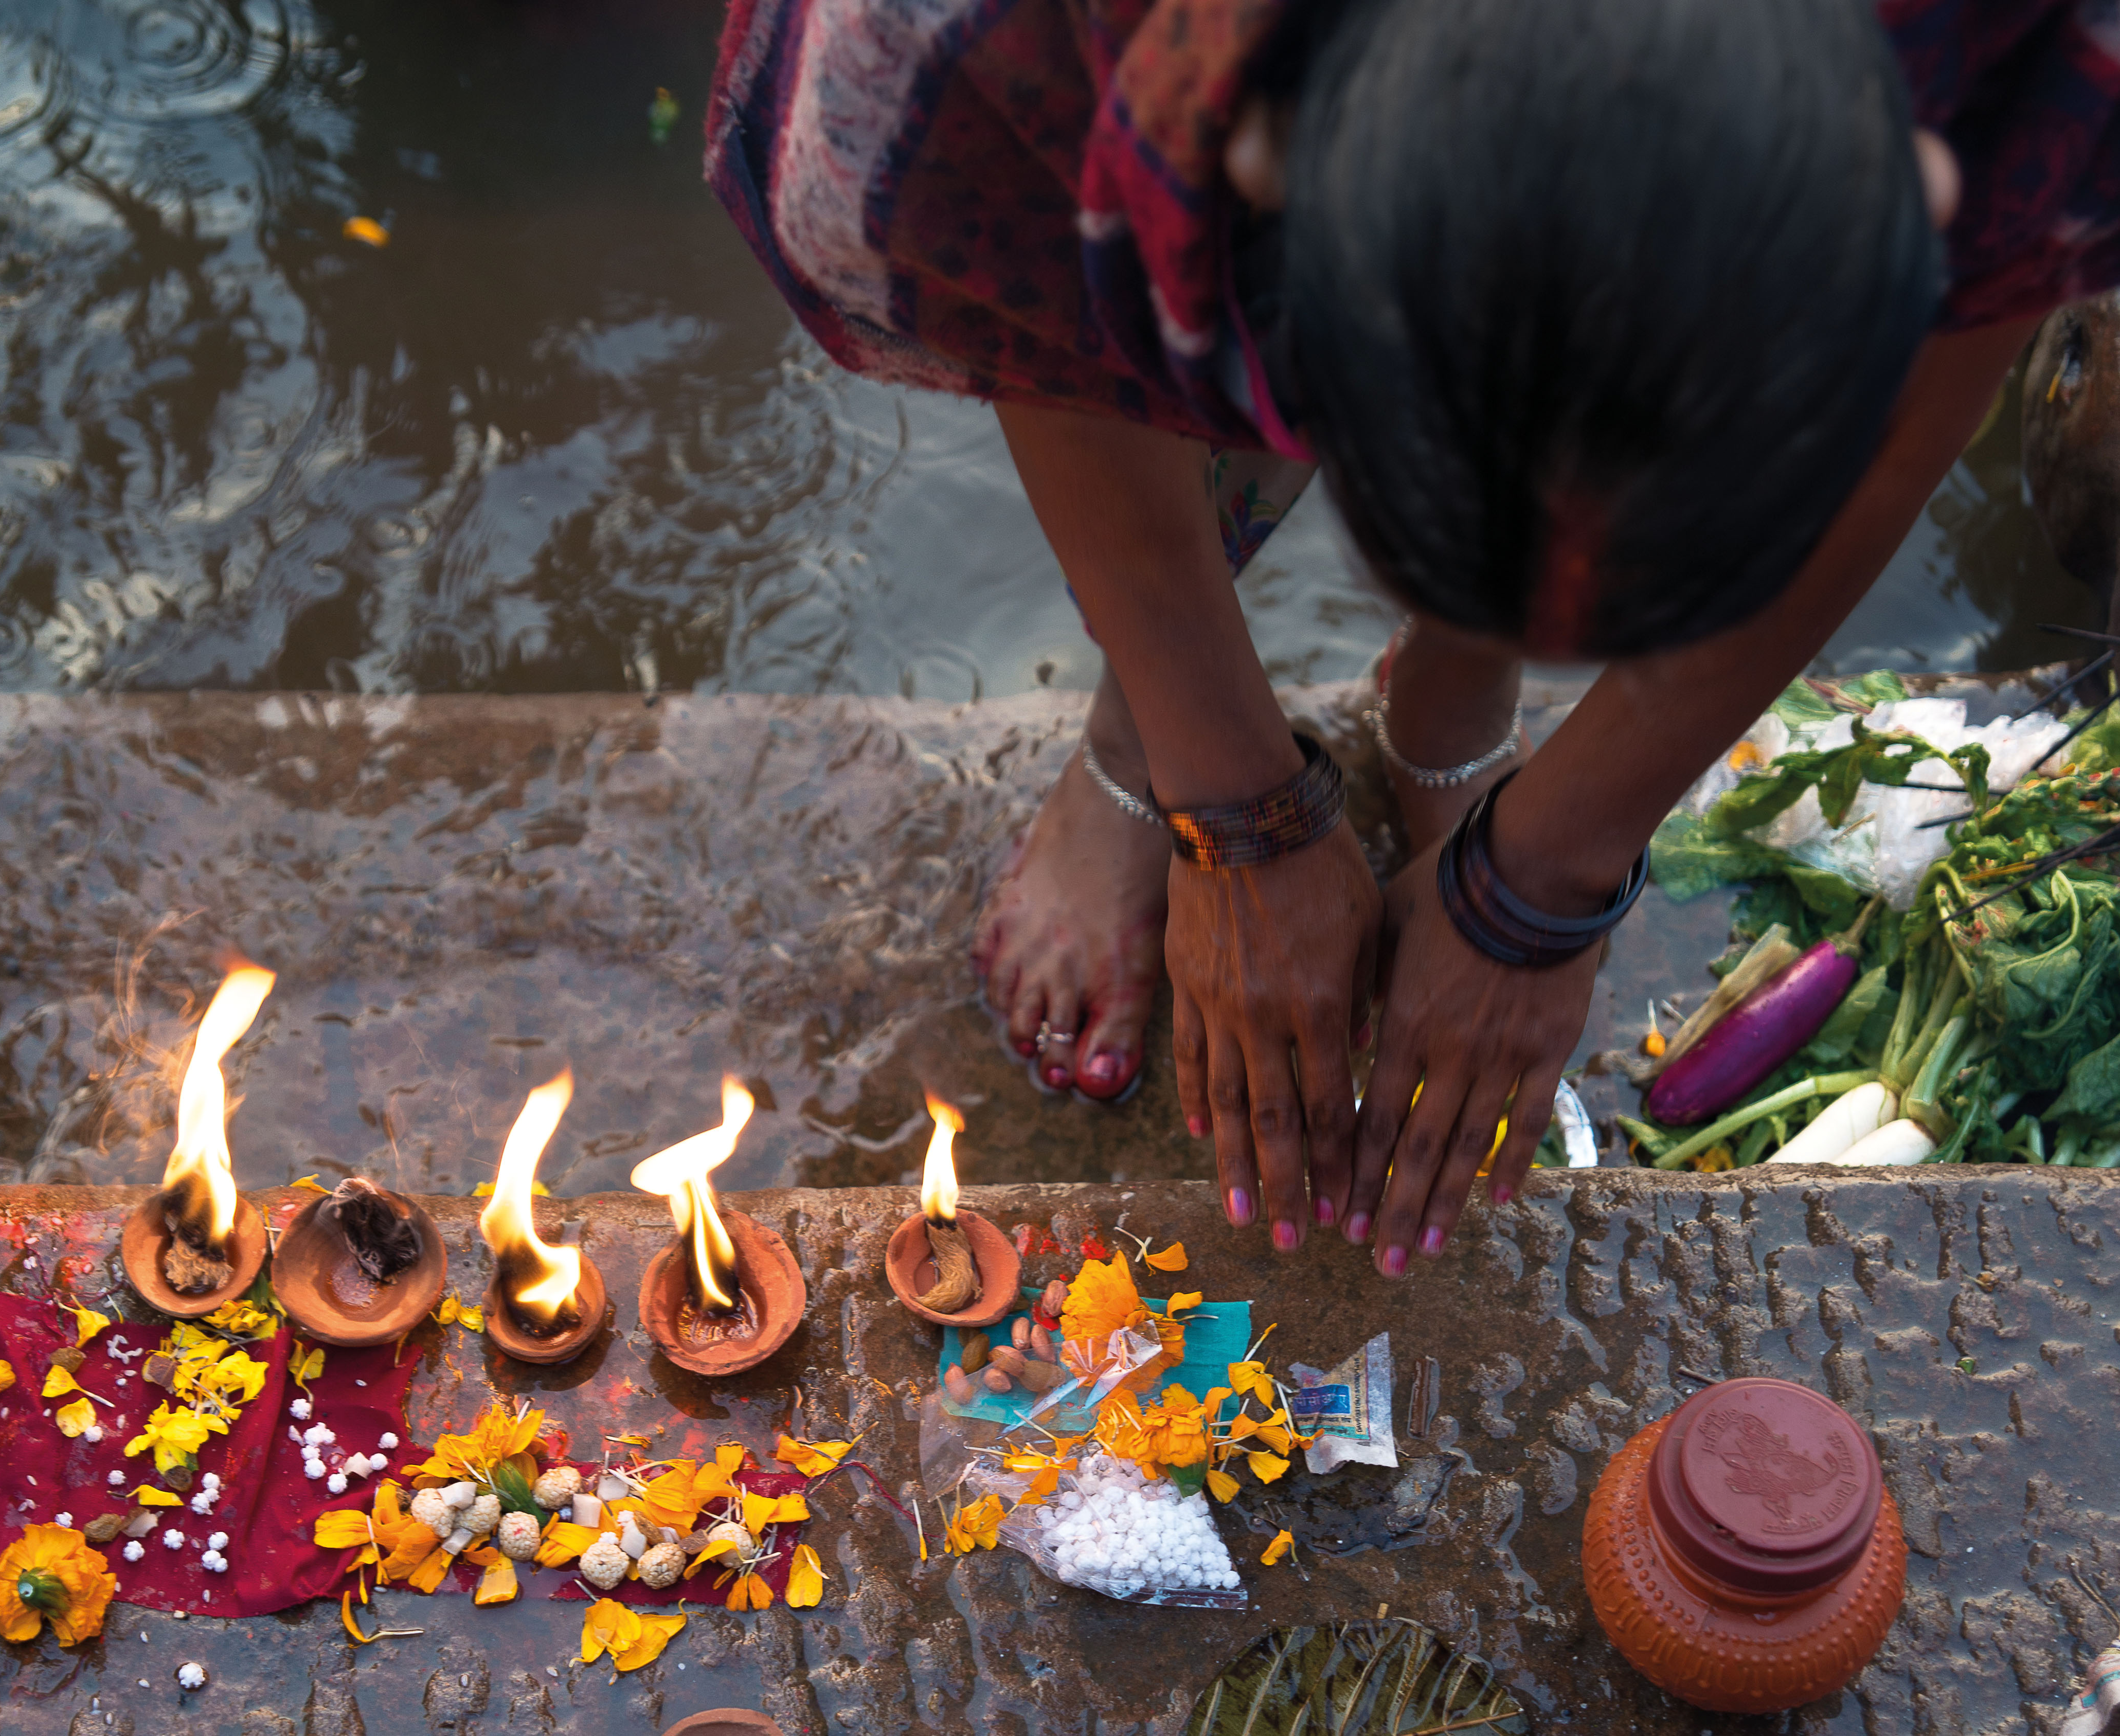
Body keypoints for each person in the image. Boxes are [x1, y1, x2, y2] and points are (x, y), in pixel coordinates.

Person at [705, 0, 2120, 1272]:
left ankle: (1445, 693)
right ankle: (1135, 731)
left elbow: (1897, 426)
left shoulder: (2027, 61)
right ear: (1248, 161)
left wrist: (1548, 873)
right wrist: (1230, 807)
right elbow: (1063, 349)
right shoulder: (941, 58)